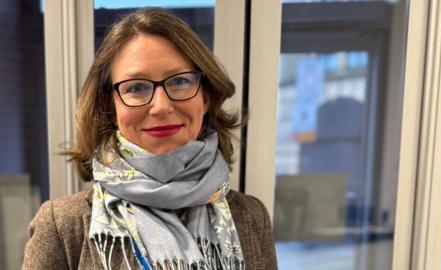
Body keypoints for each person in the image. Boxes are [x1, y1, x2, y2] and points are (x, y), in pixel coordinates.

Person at [22, 8, 277, 270]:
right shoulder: (63, 227)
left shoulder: (250, 217)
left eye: (179, 81)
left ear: (206, 96)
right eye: (136, 87)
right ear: (110, 105)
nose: (160, 106)